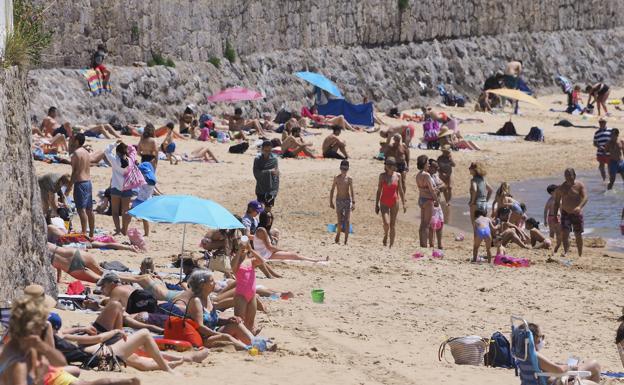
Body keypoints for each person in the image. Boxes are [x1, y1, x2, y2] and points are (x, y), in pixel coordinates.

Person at [523, 322, 601, 384]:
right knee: (594, 367)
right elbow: (559, 370)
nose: (542, 340)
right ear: (534, 339)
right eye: (541, 337)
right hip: (556, 381)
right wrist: (571, 367)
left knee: (594, 365)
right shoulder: (535, 356)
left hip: (551, 378)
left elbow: (547, 368)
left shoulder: (522, 355)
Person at [105, 141, 140, 235]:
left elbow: (107, 151)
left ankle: (118, 230)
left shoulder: (114, 159)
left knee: (115, 211)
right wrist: (127, 145)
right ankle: (124, 229)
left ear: (117, 152)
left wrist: (114, 143)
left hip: (116, 188)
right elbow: (133, 150)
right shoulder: (131, 160)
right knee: (125, 211)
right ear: (125, 152)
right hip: (127, 188)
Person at [553, 168, 588, 257]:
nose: (568, 177)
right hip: (565, 213)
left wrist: (579, 207)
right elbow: (556, 202)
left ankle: (580, 254)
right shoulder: (561, 188)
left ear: (574, 175)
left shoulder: (579, 185)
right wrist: (554, 215)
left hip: (576, 213)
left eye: (570, 175)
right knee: (565, 233)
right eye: (566, 175)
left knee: (578, 234)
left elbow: (585, 197)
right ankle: (566, 252)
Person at [375, 157, 406, 247]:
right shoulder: (382, 176)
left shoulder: (398, 176)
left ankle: (391, 245)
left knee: (393, 224)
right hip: (384, 202)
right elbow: (379, 190)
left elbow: (400, 190)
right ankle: (385, 235)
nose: (389, 166)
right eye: (387, 164)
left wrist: (404, 203)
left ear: (394, 166)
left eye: (391, 164)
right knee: (386, 223)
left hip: (394, 201)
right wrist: (376, 204)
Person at [253, 227, 327, 263]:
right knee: (293, 255)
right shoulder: (262, 231)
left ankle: (315, 260)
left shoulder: (261, 229)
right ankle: (315, 260)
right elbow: (270, 248)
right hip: (265, 255)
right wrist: (283, 250)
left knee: (275, 231)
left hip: (265, 252)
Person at [69, 133, 95, 237]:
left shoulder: (76, 153)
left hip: (80, 183)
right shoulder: (86, 152)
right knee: (89, 209)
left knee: (81, 209)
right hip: (88, 182)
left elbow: (75, 172)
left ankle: (84, 232)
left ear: (76, 141)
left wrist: (70, 186)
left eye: (73, 139)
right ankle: (91, 233)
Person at [329, 160, 355, 245]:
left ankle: (346, 240)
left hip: (347, 201)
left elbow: (352, 191)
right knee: (339, 221)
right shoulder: (336, 177)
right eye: (342, 168)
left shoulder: (349, 179)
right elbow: (332, 189)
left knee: (347, 221)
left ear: (347, 169)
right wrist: (331, 202)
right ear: (340, 168)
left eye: (345, 169)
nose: (343, 170)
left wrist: (353, 202)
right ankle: (338, 235)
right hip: (339, 200)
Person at [415, 155, 438, 248]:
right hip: (428, 200)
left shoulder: (418, 175)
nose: (428, 164)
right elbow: (432, 190)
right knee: (426, 224)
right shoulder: (426, 175)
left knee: (422, 223)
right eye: (427, 162)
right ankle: (424, 244)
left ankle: (422, 243)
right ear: (424, 163)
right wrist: (436, 200)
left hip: (421, 199)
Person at [132, 162, 159, 236]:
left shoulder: (143, 180)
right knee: (145, 219)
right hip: (147, 201)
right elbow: (154, 191)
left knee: (130, 212)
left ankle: (124, 228)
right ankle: (146, 233)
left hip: (140, 200)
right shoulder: (152, 181)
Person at [253, 140, 280, 205]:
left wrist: (275, 191)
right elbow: (256, 173)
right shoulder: (257, 159)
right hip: (260, 188)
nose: (268, 153)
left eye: (269, 151)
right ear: (262, 149)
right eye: (266, 151)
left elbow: (276, 176)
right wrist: (268, 171)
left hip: (271, 189)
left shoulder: (274, 159)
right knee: (260, 209)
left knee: (268, 210)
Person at [544, 184, 562, 253]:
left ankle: (558, 243)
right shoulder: (550, 201)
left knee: (559, 231)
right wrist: (545, 220)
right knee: (552, 231)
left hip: (558, 216)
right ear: (552, 192)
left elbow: (561, 209)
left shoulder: (559, 199)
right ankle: (551, 243)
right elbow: (545, 210)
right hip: (551, 217)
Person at [593, 117, 612, 182]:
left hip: (609, 152)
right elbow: (594, 143)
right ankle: (604, 179)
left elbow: (614, 140)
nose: (601, 123)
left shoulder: (611, 130)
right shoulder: (597, 132)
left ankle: (611, 179)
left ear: (605, 123)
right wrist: (599, 146)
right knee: (601, 167)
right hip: (600, 152)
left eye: (603, 122)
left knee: (610, 166)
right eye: (600, 122)